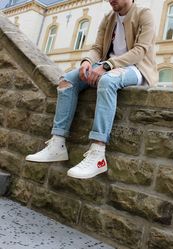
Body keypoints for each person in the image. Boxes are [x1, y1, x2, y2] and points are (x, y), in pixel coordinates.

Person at [25, 0, 158, 179]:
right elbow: (97, 48)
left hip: (137, 68)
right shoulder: (108, 17)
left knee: (107, 81)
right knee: (67, 81)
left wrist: (108, 65)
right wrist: (87, 61)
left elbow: (140, 51)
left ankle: (98, 154)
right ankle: (57, 143)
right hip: (107, 66)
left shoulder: (144, 14)